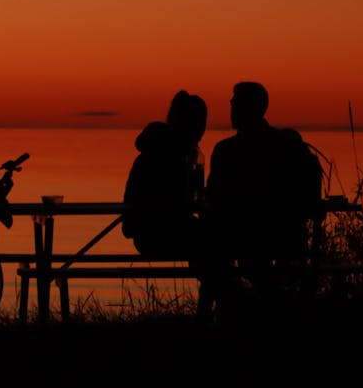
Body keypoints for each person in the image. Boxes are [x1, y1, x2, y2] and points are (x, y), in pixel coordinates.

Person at [202, 82, 323, 313]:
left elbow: (214, 199)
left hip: (246, 238)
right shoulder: (286, 145)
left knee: (210, 253)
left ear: (252, 108)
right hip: (285, 238)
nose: (232, 108)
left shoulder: (227, 151)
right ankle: (254, 304)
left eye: (235, 103)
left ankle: (222, 314)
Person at [121, 91, 207, 258]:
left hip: (149, 234)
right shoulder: (172, 157)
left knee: (213, 240)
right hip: (158, 236)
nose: (203, 128)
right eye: (200, 122)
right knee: (215, 241)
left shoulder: (157, 152)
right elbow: (178, 204)